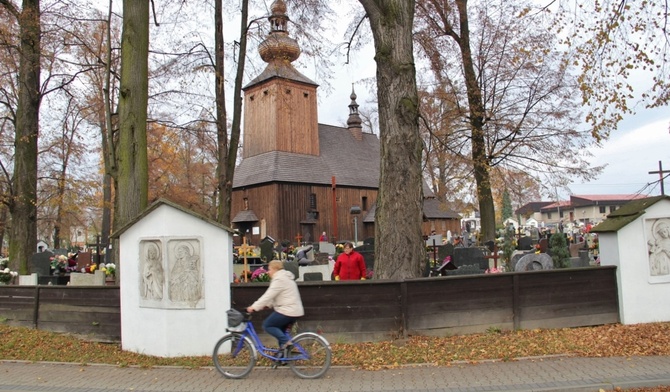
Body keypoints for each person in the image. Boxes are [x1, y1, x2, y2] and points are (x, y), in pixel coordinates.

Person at [246, 260, 304, 350]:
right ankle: (283, 357)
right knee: (280, 330)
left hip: (288, 311)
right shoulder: (285, 277)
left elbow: (268, 296)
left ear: (275, 269)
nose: (268, 272)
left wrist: (254, 307)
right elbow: (276, 296)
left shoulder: (279, 279)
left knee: (268, 325)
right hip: (294, 310)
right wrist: (266, 305)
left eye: (269, 269)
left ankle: (287, 343)